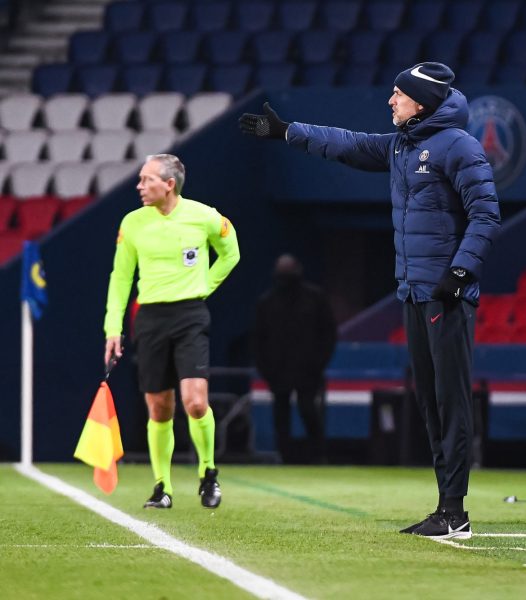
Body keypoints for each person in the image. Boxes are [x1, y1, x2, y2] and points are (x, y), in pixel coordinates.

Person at [239, 62, 500, 539]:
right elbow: (350, 143)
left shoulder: (459, 145)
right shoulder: (404, 145)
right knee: (430, 403)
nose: (390, 101)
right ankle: (446, 509)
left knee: (451, 401)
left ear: (421, 101)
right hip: (414, 290)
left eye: (398, 94)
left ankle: (454, 510)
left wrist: (459, 274)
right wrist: (287, 132)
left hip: (447, 293)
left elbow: (486, 214)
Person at [103, 153, 240, 509]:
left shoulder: (204, 216)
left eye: (147, 179)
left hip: (190, 315)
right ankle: (162, 486)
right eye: (140, 179)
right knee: (159, 408)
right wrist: (112, 327)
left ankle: (208, 474)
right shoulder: (132, 223)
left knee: (195, 402)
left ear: (169, 184)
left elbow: (230, 252)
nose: (139, 186)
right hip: (149, 318)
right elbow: (120, 278)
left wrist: (204, 287)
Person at [252, 254, 337, 464]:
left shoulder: (314, 299)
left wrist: (318, 363)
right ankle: (286, 456)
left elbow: (328, 333)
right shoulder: (267, 303)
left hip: (307, 369)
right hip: (278, 370)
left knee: (308, 408)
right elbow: (257, 340)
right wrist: (266, 369)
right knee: (281, 414)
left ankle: (317, 455)